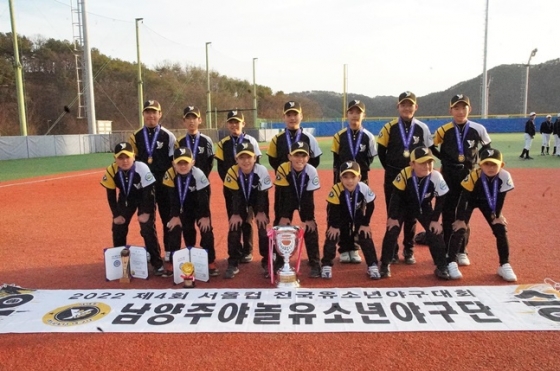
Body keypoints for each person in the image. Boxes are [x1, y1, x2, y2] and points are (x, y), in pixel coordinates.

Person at [377, 91, 439, 265]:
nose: (407, 108)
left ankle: (409, 249)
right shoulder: (389, 127)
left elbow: (429, 152)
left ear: (416, 107)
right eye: (403, 104)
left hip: (415, 178)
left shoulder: (422, 128)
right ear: (398, 107)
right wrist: (391, 170)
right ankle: (393, 251)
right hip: (394, 176)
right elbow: (382, 152)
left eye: (410, 104)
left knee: (412, 214)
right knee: (393, 213)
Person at [434, 94, 491, 267]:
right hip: (448, 174)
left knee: (464, 212)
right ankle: (445, 248)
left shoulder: (478, 128)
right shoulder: (443, 130)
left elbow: (487, 148)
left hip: (469, 174)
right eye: (456, 108)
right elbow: (430, 146)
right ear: (451, 110)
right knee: (447, 210)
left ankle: (461, 250)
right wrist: (444, 159)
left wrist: (480, 166)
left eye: (464, 107)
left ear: (470, 109)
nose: (460, 111)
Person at [378, 147, 450, 280]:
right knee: (392, 229)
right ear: (412, 164)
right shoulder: (405, 173)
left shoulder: (436, 176)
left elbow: (442, 199)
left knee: (435, 231)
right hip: (403, 205)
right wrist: (393, 217)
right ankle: (384, 264)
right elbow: (395, 197)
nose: (427, 166)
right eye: (422, 163)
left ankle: (441, 266)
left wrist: (435, 220)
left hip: (423, 205)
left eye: (430, 162)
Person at [100, 142, 171, 277]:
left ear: (133, 156)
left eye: (127, 157)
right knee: (118, 226)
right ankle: (121, 263)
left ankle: (157, 264)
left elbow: (150, 193)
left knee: (147, 227)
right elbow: (110, 194)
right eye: (120, 158)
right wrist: (116, 215)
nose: (124, 161)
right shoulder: (111, 170)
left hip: (144, 197)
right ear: (115, 159)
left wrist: (146, 212)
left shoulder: (142, 168)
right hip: (126, 198)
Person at [447, 148, 517, 282]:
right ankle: (451, 262)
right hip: (470, 200)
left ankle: (504, 265)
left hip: (488, 203)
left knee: (500, 228)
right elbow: (464, 197)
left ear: (501, 165)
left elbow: (501, 198)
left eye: (494, 164)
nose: (490, 168)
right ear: (480, 165)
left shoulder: (505, 176)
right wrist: (461, 219)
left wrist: (497, 216)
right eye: (486, 164)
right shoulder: (474, 175)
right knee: (459, 228)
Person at [129, 100, 176, 264]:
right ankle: (151, 250)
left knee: (168, 218)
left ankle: (170, 250)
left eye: (154, 112)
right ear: (143, 115)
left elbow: (174, 162)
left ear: (160, 114)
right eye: (148, 112)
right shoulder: (135, 137)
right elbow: (131, 162)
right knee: (147, 220)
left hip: (164, 184)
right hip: (144, 187)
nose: (151, 115)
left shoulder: (168, 136)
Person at [331, 99, 377, 264]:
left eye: (358, 112)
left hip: (361, 180)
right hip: (342, 181)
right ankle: (344, 248)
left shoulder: (369, 137)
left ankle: (355, 248)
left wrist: (359, 177)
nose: (354, 115)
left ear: (363, 115)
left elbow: (370, 158)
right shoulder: (339, 136)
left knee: (359, 214)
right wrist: (337, 183)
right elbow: (336, 162)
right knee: (343, 214)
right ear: (347, 114)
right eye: (351, 112)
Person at [163, 147, 219, 277]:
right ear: (173, 164)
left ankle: (210, 261)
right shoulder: (169, 175)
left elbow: (203, 198)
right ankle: (173, 261)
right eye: (179, 163)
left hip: (199, 207)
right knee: (173, 228)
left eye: (186, 163)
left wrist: (205, 216)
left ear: (192, 162)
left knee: (206, 230)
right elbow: (172, 198)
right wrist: (175, 216)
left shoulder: (198, 174)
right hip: (182, 207)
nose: (182, 166)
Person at [215, 110, 262, 264]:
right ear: (228, 124)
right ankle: (236, 251)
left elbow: (258, 165)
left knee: (248, 219)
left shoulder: (251, 141)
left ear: (243, 124)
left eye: (237, 122)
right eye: (231, 122)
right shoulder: (223, 144)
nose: (234, 125)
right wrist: (231, 183)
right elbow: (221, 168)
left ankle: (247, 251)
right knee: (234, 218)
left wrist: (249, 184)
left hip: (249, 188)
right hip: (231, 188)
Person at [320, 161, 380, 280]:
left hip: (357, 215)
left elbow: (371, 205)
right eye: (345, 177)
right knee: (332, 235)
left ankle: (372, 264)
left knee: (365, 233)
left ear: (359, 177)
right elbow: (333, 210)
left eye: (353, 177)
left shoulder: (363, 187)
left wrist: (365, 223)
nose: (349, 181)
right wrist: (334, 226)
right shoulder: (336, 189)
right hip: (339, 216)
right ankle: (326, 264)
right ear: (340, 178)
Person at [223, 140, 272, 279]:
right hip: (238, 199)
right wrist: (236, 213)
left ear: (255, 158)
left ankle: (267, 261)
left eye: (249, 157)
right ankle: (233, 262)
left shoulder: (261, 170)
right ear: (236, 159)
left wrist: (261, 212)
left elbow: (263, 194)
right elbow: (233, 196)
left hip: (258, 200)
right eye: (242, 158)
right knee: (234, 227)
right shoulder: (232, 172)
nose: (245, 161)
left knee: (263, 229)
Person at [274, 141, 321, 278]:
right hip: (285, 199)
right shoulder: (283, 168)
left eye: (303, 155)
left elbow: (308, 197)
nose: (299, 159)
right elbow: (283, 194)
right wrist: (283, 215)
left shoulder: (311, 171)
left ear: (308, 157)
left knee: (311, 227)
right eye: (296, 155)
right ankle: (279, 262)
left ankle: (315, 262)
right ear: (289, 156)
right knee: (279, 227)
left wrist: (308, 218)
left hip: (304, 199)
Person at [175, 106, 215, 260]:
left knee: (205, 222)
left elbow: (210, 162)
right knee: (187, 223)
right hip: (182, 187)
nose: (191, 121)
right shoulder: (179, 141)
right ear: (184, 121)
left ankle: (208, 259)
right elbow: (175, 163)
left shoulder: (206, 140)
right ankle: (190, 254)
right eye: (188, 118)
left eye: (194, 118)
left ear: (200, 120)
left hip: (202, 187)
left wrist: (201, 178)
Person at [267, 100, 322, 172]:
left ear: (301, 116)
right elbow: (272, 160)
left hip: (304, 179)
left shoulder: (310, 138)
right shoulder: (276, 139)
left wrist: (304, 172)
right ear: (284, 117)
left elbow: (315, 160)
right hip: (283, 180)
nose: (292, 118)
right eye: (288, 115)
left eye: (295, 114)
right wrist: (283, 171)